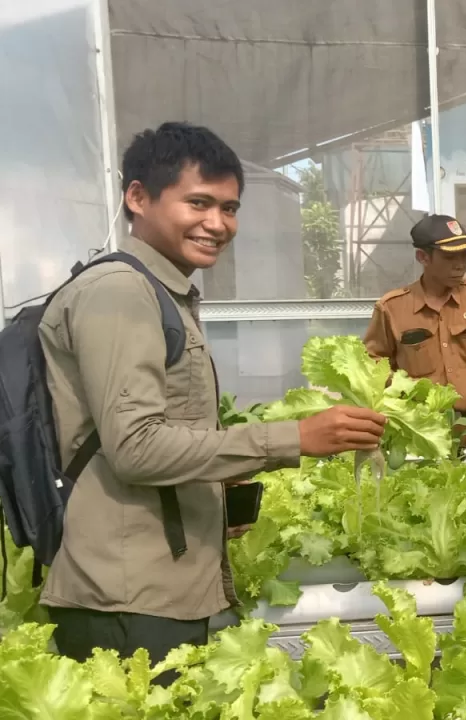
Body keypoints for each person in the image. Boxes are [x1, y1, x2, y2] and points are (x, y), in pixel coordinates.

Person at [38, 122, 386, 676]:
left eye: (230, 207)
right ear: (137, 197)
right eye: (198, 203)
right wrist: (294, 438)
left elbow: (140, 436)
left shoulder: (164, 292)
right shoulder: (121, 291)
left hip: (160, 590)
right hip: (130, 602)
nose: (218, 224)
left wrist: (214, 488)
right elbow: (135, 447)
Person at [363, 214, 466, 446]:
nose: (460, 264)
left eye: (464, 254)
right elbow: (373, 362)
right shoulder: (392, 308)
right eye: (450, 256)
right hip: (419, 427)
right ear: (423, 257)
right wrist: (399, 389)